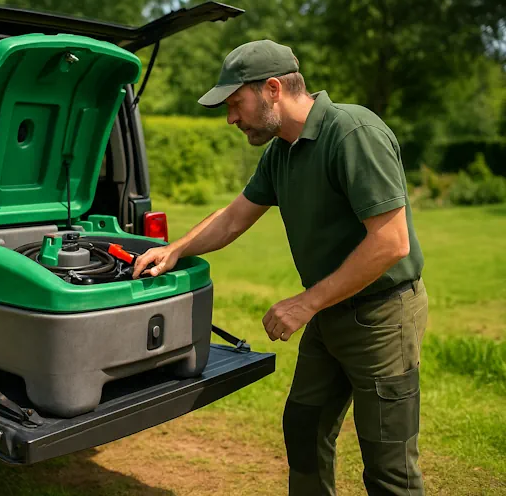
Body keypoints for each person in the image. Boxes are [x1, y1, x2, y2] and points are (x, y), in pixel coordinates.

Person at [132, 39, 428, 496]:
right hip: (330, 311)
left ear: (272, 89)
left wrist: (305, 304)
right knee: (304, 429)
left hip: (382, 317)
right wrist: (175, 249)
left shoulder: (352, 133)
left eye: (236, 103)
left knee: (388, 465)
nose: (231, 119)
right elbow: (234, 217)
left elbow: (391, 243)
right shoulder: (282, 151)